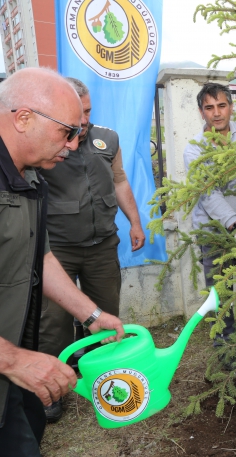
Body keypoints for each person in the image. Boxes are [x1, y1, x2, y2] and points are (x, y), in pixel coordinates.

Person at [0, 67, 124, 456]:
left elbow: (42, 256)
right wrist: (13, 359)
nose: (73, 144)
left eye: (78, 132)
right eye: (66, 132)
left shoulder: (32, 179)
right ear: (23, 119)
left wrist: (91, 315)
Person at [37, 77, 146, 422]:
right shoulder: (47, 139)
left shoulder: (107, 138)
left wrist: (135, 222)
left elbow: (120, 180)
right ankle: (51, 392)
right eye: (76, 113)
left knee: (104, 314)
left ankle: (103, 376)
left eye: (87, 111)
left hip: (102, 246)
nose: (82, 121)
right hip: (59, 250)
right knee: (52, 324)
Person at [184, 82, 236, 341]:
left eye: (222, 105)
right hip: (214, 234)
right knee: (218, 292)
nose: (217, 113)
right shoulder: (195, 149)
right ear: (202, 113)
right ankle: (226, 350)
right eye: (209, 108)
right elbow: (210, 196)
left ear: (231, 107)